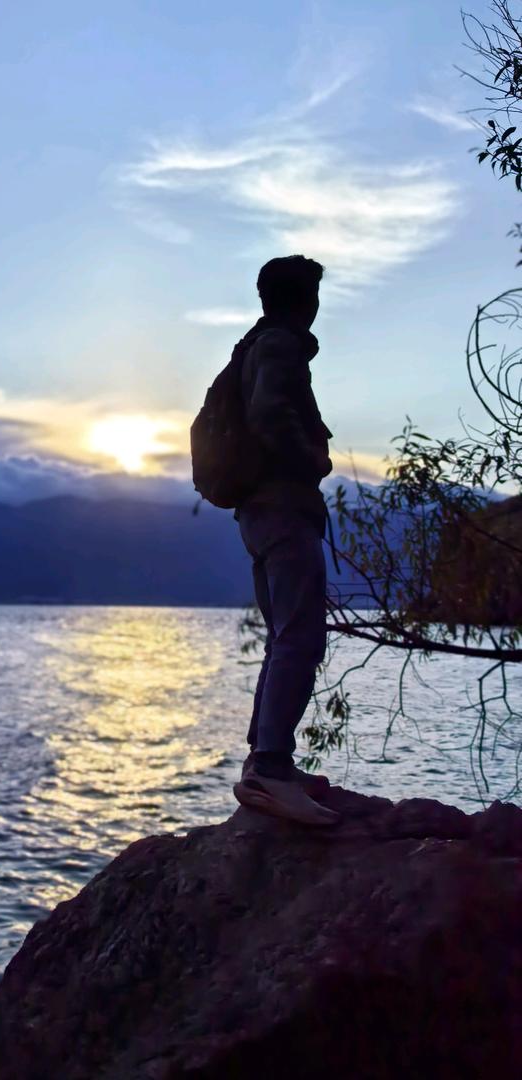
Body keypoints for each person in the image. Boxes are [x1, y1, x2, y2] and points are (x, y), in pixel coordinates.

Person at [229, 255, 340, 827]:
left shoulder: (253, 345)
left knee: (284, 638)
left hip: (259, 511)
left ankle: (267, 764)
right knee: (300, 639)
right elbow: (271, 413)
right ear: (307, 301)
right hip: (282, 507)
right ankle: (271, 768)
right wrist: (312, 459)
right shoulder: (279, 347)